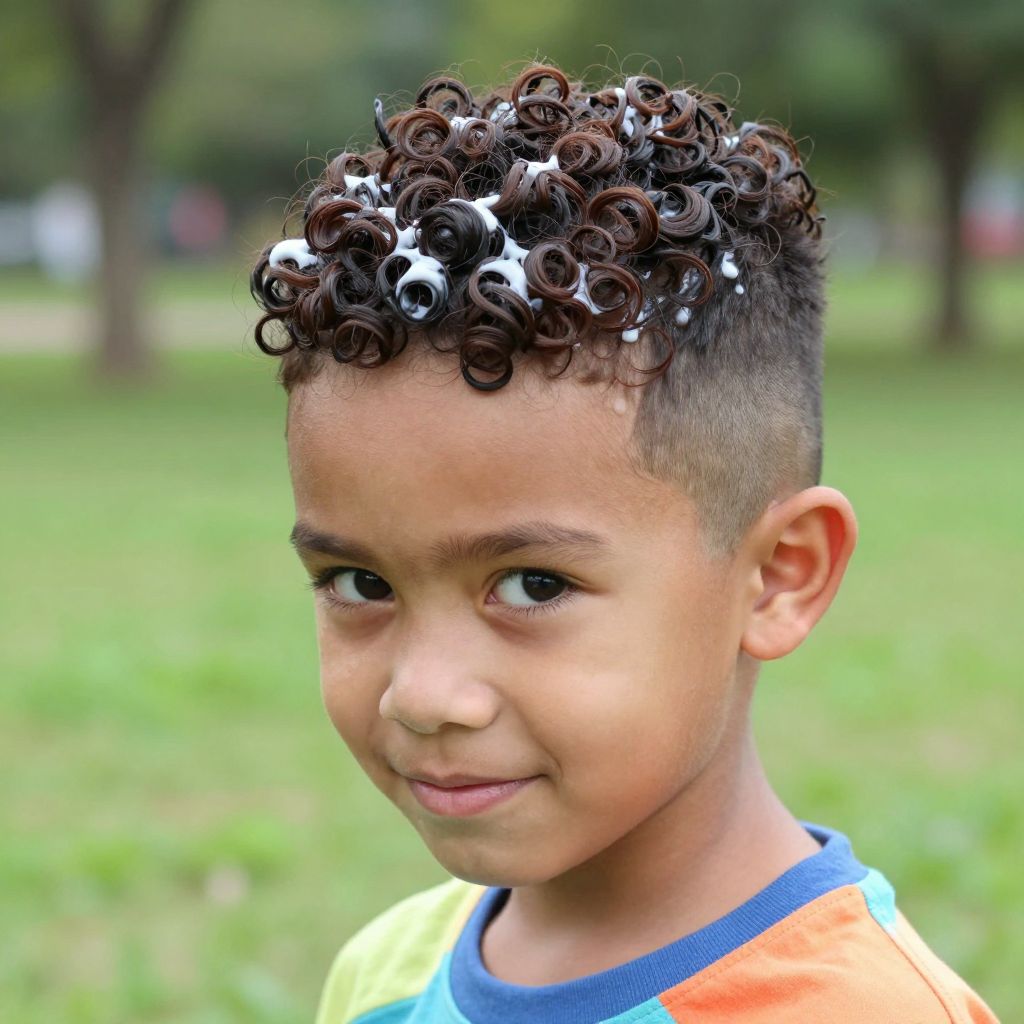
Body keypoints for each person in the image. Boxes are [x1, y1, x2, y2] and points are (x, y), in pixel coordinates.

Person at [249, 62, 999, 1023]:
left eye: (530, 586)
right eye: (359, 581)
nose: (425, 695)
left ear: (779, 575)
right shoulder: (385, 975)